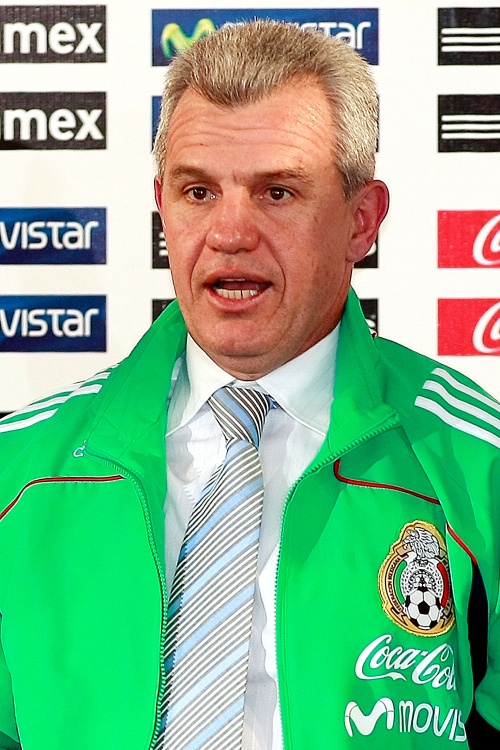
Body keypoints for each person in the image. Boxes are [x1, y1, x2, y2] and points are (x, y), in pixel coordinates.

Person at [0, 19, 498, 750]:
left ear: (361, 222)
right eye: (198, 191)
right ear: (163, 204)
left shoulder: (476, 464)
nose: (230, 233)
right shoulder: (19, 471)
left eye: (277, 193)